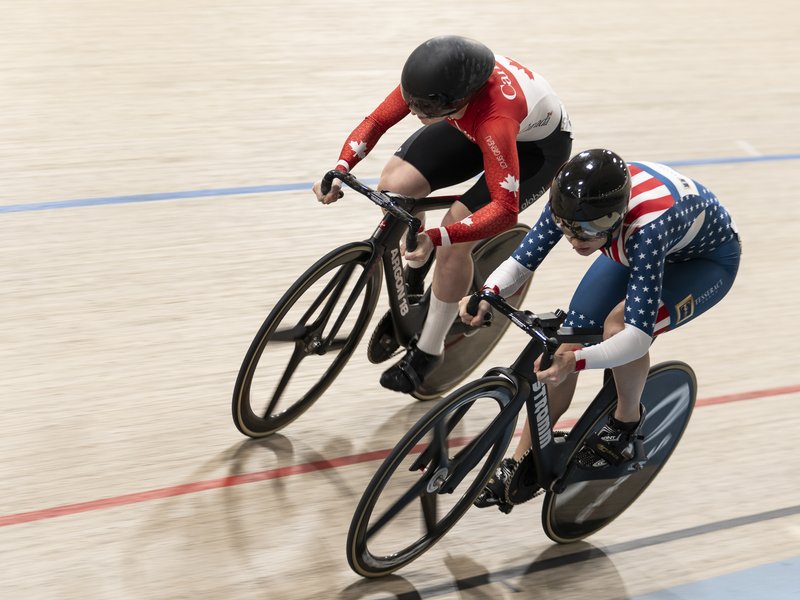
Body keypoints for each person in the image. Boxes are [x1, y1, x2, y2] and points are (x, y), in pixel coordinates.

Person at [459, 148, 741, 512]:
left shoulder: (646, 228)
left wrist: (578, 362)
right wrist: (487, 292)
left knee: (618, 325)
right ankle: (519, 461)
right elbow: (521, 261)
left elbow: (636, 337)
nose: (577, 241)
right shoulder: (572, 202)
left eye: (590, 231)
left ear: (617, 214)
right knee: (564, 341)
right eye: (568, 230)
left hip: (703, 263)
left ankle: (626, 422)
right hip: (633, 250)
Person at [312, 35, 573, 394]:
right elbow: (376, 121)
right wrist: (341, 167)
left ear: (457, 99)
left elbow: (504, 211)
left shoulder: (494, 117)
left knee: (455, 230)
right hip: (468, 125)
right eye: (413, 103)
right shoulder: (433, 84)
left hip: (533, 151)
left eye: (425, 108)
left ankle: (428, 351)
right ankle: (415, 272)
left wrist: (437, 237)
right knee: (396, 182)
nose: (416, 113)